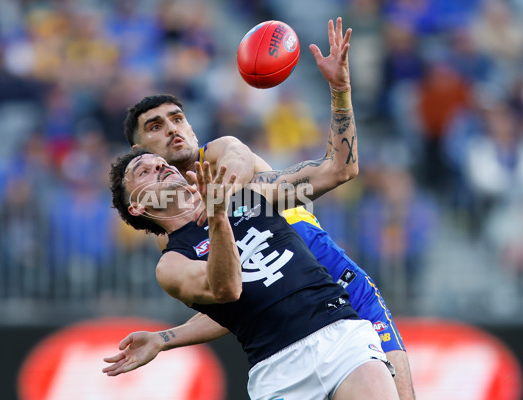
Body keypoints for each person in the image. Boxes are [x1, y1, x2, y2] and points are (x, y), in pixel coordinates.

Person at [105, 18, 415, 399]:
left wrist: (339, 90)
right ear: (137, 153)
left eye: (179, 119)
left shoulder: (222, 158)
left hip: (341, 294)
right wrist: (167, 338)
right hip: (278, 350)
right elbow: (234, 298)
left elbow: (245, 157)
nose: (173, 130)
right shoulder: (171, 251)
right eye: (155, 126)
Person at [106, 147, 399, 400]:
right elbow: (229, 291)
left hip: (339, 331)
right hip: (278, 367)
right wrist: (217, 215)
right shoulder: (171, 264)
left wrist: (340, 90)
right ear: (138, 206)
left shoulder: (249, 194)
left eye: (161, 162)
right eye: (142, 171)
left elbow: (338, 169)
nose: (159, 165)